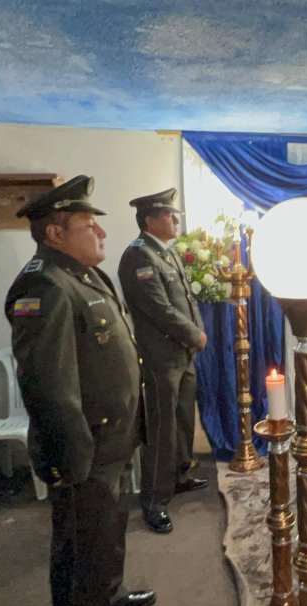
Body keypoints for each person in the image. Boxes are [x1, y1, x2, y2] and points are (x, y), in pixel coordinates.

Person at [7, 176, 155, 606]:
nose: (102, 235)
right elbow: (48, 385)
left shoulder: (84, 274)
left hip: (110, 437)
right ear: (55, 233)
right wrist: (74, 457)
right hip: (83, 447)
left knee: (108, 531)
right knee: (79, 547)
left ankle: (106, 599)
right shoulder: (42, 285)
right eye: (88, 226)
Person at [117, 188, 208, 535]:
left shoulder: (164, 253)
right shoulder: (139, 256)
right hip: (161, 358)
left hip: (181, 353)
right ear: (150, 220)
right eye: (169, 215)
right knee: (160, 429)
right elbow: (157, 307)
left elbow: (185, 299)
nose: (175, 220)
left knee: (184, 419)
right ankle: (154, 501)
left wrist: (194, 333)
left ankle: (179, 475)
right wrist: (193, 334)